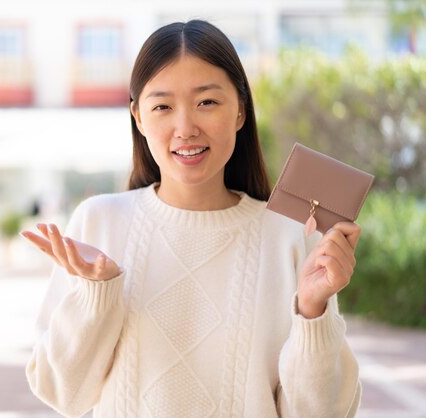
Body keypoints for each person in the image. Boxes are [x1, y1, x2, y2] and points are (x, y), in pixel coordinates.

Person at [21, 20, 361, 418]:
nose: (185, 128)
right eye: (163, 106)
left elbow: (320, 414)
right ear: (138, 117)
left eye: (207, 102)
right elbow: (61, 394)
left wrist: (312, 312)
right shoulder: (100, 222)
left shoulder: (289, 234)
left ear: (240, 111)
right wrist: (96, 296)